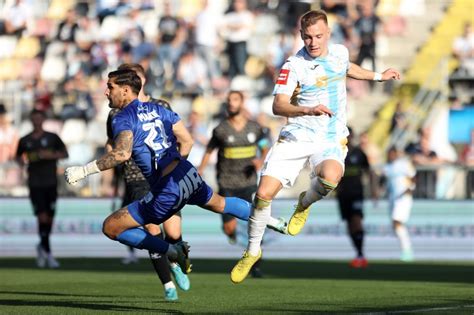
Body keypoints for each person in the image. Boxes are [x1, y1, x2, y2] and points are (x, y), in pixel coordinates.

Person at [230, 9, 401, 283]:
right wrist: (307, 110)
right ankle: (252, 251)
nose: (313, 42)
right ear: (301, 36)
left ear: (328, 34)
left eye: (318, 36)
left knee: (331, 177)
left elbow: (349, 69)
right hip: (298, 134)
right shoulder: (293, 65)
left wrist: (379, 76)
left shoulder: (340, 53)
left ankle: (304, 203)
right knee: (263, 194)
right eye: (308, 37)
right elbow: (278, 105)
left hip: (329, 137)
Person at [64, 69, 286, 279]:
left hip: (166, 188)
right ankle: (274, 221)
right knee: (221, 204)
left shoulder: (122, 117)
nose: (106, 92)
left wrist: (84, 170)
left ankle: (172, 251)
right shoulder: (159, 109)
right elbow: (187, 140)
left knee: (111, 227)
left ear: (125, 90)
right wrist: (177, 170)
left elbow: (121, 154)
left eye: (110, 86)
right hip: (185, 172)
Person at [105, 63, 188, 301]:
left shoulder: (161, 106)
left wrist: (178, 166)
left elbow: (179, 138)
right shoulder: (115, 113)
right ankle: (168, 285)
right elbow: (113, 143)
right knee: (153, 229)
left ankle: (176, 261)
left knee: (173, 231)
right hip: (136, 176)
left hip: (164, 175)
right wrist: (111, 156)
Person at [198, 91, 285, 277]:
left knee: (256, 225)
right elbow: (209, 150)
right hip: (227, 182)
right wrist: (200, 170)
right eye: (229, 100)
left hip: (249, 183)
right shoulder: (221, 129)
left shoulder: (254, 128)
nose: (231, 103)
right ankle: (232, 236)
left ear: (241, 102)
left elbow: (264, 147)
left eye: (235, 100)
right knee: (229, 227)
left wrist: (260, 161)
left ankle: (256, 266)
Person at [16, 109, 68, 268]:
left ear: (43, 119)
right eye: (34, 119)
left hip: (51, 182)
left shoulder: (52, 137)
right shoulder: (25, 140)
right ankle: (48, 253)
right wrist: (24, 161)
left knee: (49, 219)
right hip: (35, 183)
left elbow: (65, 154)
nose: (36, 121)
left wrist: (49, 155)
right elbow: (18, 157)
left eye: (39, 118)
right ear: (31, 121)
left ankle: (42, 247)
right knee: (42, 217)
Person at [336, 127, 377, 268]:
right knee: (349, 224)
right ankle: (359, 254)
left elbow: (370, 172)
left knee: (356, 220)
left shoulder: (359, 153)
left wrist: (374, 190)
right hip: (342, 195)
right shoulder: (336, 153)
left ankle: (361, 254)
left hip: (356, 193)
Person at [381, 146, 416, 262]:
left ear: (396, 154)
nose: (390, 156)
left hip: (403, 197)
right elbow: (383, 181)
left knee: (397, 221)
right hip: (393, 198)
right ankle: (406, 250)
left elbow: (413, 177)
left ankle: (407, 250)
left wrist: (410, 188)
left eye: (392, 154)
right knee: (395, 223)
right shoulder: (387, 167)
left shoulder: (404, 164)